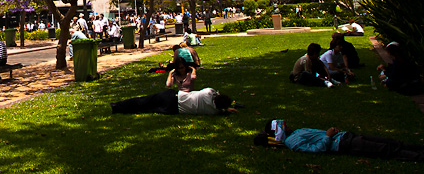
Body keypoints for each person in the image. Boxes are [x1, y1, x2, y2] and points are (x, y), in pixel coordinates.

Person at [254, 119, 424, 161]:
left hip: (345, 136)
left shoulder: (297, 132)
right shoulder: (292, 143)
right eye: (284, 125)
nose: (288, 125)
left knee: (390, 142)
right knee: (387, 150)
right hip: (343, 144)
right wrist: (328, 136)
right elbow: (316, 149)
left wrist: (333, 132)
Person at [111, 87, 237, 115]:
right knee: (145, 108)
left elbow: (215, 92)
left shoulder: (208, 93)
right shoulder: (213, 112)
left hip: (174, 97)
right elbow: (220, 110)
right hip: (173, 110)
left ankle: (118, 106)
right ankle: (120, 109)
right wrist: (225, 109)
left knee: (144, 101)